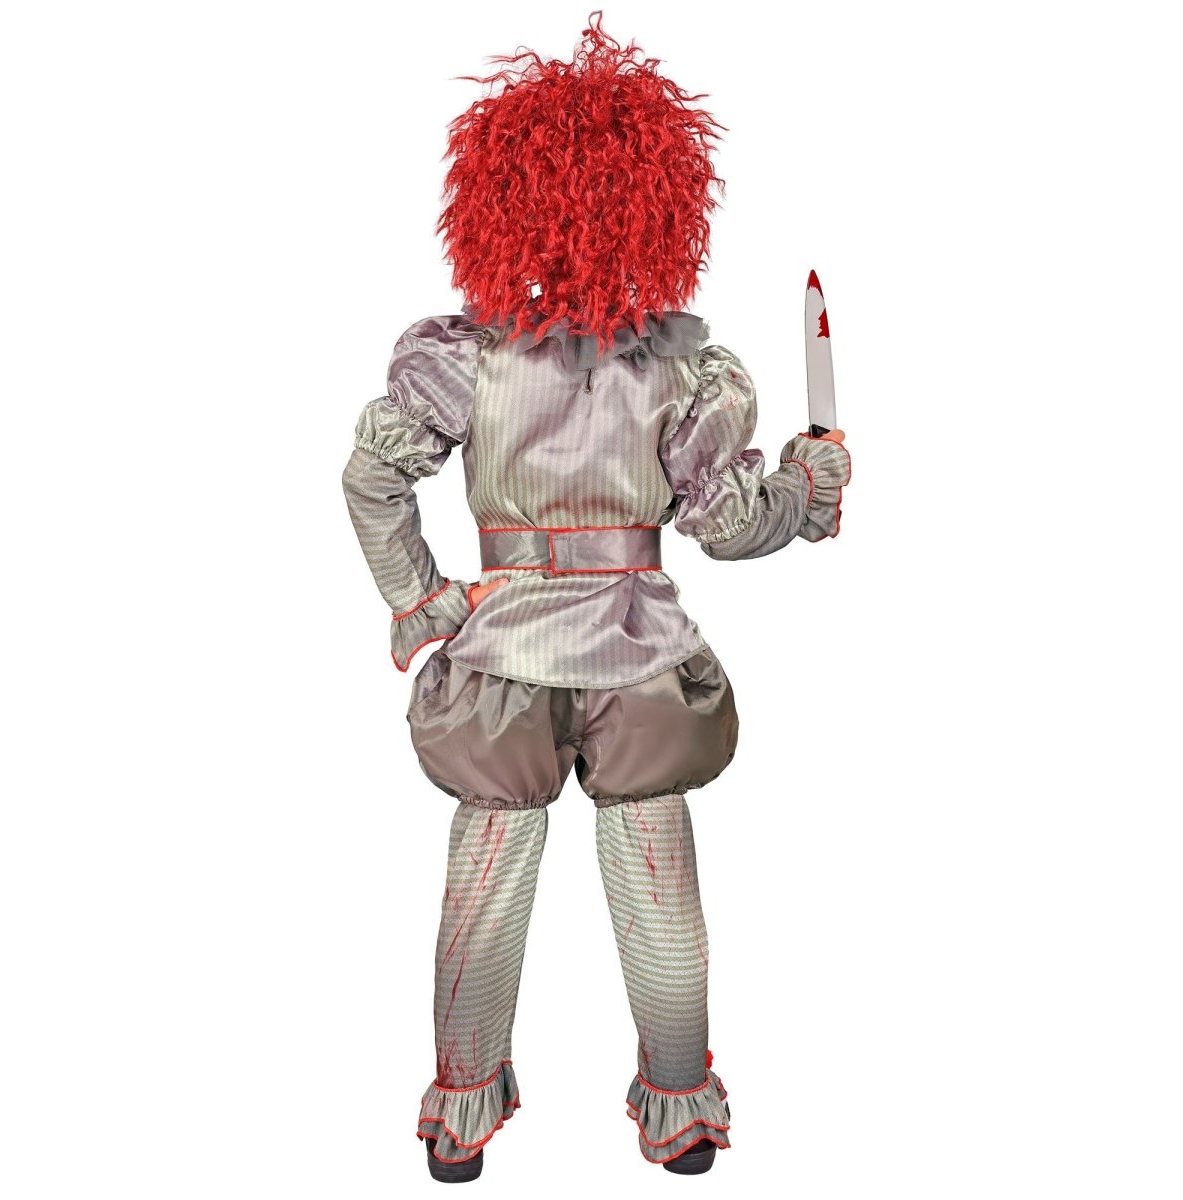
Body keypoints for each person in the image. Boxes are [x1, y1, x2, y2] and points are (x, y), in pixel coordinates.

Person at [341, 12, 851, 1183]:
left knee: (484, 882)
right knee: (658, 885)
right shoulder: (683, 372)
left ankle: (459, 1114)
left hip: (501, 660)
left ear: (501, 202)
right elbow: (729, 526)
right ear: (660, 208)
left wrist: (423, 598)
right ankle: (682, 1113)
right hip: (639, 659)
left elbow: (371, 476)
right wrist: (809, 491)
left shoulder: (464, 359)